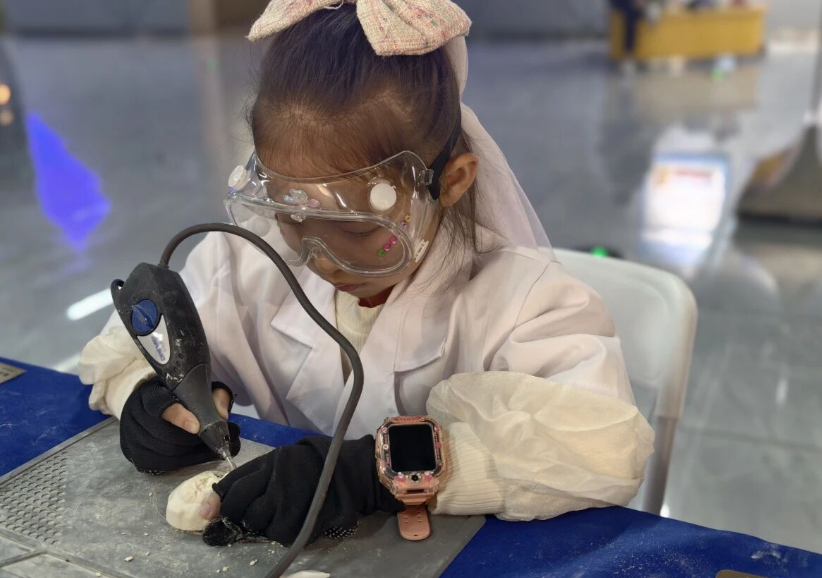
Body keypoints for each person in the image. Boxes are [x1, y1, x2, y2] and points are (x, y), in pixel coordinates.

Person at [79, 0, 654, 547]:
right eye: (293, 217)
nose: (322, 259)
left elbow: (600, 448)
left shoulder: (525, 303)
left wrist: (373, 471)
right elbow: (135, 345)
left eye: (355, 230)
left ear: (451, 181)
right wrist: (152, 396)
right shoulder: (249, 262)